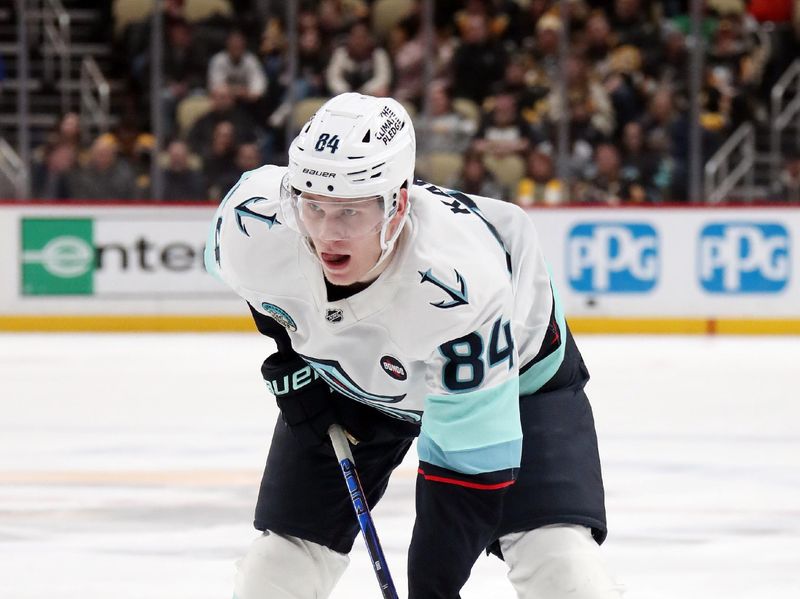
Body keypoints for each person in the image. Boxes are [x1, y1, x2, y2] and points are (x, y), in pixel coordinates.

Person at [206, 93, 622, 599]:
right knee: (279, 566)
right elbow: (266, 293)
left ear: (398, 203)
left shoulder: (458, 285)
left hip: (515, 380)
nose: (326, 236)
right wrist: (293, 358)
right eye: (313, 207)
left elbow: (468, 475)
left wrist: (433, 591)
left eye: (351, 213)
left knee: (561, 565)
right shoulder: (257, 223)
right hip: (349, 379)